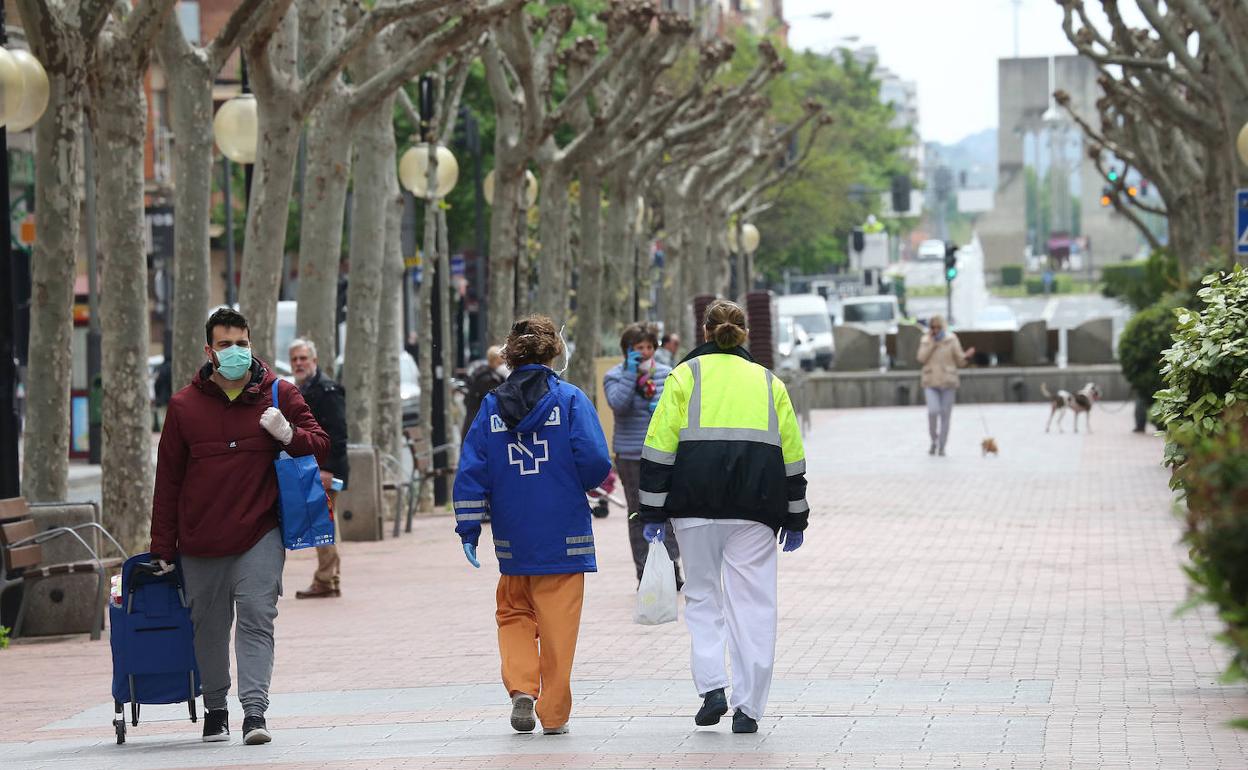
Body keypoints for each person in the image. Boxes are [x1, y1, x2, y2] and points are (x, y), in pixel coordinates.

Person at [149, 308, 329, 746]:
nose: (236, 352)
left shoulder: (278, 394)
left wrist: (287, 433)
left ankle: (254, 712)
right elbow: (168, 479)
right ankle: (215, 709)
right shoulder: (183, 406)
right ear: (210, 351)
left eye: (243, 343)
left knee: (256, 619)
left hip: (259, 533)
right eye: (226, 344)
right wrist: (162, 546)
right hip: (200, 539)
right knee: (208, 628)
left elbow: (320, 443)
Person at [638, 299, 809, 735]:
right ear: (745, 331)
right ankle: (749, 708)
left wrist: (652, 511)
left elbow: (658, 447)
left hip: (693, 506)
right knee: (752, 605)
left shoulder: (684, 376)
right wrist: (796, 515)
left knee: (701, 596)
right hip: (756, 508)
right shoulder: (769, 383)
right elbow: (792, 454)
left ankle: (713, 686)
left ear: (705, 330)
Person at [452, 315, 611, 736]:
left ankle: (523, 688)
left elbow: (472, 469)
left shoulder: (490, 405)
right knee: (559, 629)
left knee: (514, 612)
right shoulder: (571, 400)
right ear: (552, 352)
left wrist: (469, 527)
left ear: (510, 354)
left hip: (513, 537)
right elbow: (595, 462)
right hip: (564, 536)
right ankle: (554, 714)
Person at [603, 323, 682, 587]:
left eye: (649, 347)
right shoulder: (614, 376)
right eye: (639, 348)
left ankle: (672, 569)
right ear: (628, 350)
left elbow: (673, 410)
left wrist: (659, 408)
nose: (646, 352)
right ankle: (644, 572)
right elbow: (619, 404)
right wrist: (629, 374)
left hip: (661, 453)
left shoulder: (666, 374)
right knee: (637, 514)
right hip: (630, 454)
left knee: (666, 511)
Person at [289, 338, 349, 599]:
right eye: (295, 359)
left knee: (322, 523)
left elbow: (337, 434)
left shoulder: (327, 390)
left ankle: (325, 579)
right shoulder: (301, 390)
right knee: (323, 523)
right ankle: (329, 578)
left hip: (325, 471)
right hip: (311, 468)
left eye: (304, 358)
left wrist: (329, 470)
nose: (299, 363)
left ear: (314, 361)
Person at [916, 314, 975, 456]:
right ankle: (933, 440)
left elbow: (959, 361)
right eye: (932, 327)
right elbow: (921, 358)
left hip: (948, 381)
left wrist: (966, 357)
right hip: (930, 381)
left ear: (943, 327)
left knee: (945, 415)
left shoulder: (951, 339)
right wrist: (932, 344)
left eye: (938, 327)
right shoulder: (925, 340)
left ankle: (942, 445)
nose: (935, 330)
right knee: (933, 411)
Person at [461, 345, 509, 440]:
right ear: (495, 360)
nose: (503, 364)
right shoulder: (488, 379)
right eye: (501, 361)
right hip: (481, 424)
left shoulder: (482, 374)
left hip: (475, 421)